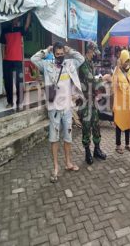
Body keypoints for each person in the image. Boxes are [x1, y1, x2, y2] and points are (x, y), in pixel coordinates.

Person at [31, 41, 84, 183]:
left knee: (68, 137)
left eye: (62, 54)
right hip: (54, 108)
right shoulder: (47, 65)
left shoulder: (70, 64)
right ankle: (55, 167)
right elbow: (34, 59)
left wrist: (70, 50)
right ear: (54, 54)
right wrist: (46, 50)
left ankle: (68, 163)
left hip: (67, 108)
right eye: (57, 54)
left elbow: (81, 58)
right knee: (54, 138)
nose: (60, 56)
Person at [78, 42, 107, 165]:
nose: (96, 55)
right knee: (86, 126)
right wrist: (104, 78)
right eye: (95, 52)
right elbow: (91, 79)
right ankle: (87, 152)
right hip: (85, 102)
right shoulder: (84, 63)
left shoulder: (90, 63)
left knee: (96, 125)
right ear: (90, 50)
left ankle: (97, 149)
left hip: (93, 101)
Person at [0, 12, 31, 109]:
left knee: (19, 82)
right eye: (13, 18)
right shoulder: (5, 30)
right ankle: (10, 102)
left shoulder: (20, 29)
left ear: (18, 19)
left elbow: (26, 25)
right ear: (10, 19)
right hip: (7, 61)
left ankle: (19, 102)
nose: (15, 20)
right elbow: (3, 46)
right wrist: (3, 58)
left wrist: (29, 13)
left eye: (17, 18)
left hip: (17, 61)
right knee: (8, 82)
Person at [112, 49, 130, 154]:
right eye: (125, 60)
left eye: (128, 60)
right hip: (119, 102)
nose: (127, 62)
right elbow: (114, 84)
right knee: (119, 123)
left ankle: (127, 144)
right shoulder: (117, 71)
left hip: (129, 101)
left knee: (128, 122)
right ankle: (118, 145)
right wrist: (117, 69)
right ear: (121, 60)